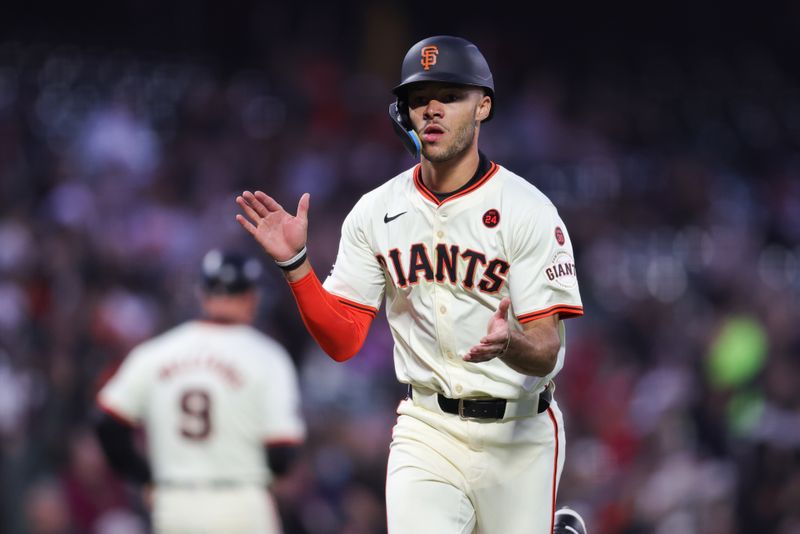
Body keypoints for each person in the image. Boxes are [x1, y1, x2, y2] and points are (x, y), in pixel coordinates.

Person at [236, 35, 586, 534]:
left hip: (520, 432)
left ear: (483, 105)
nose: (433, 109)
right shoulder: (376, 212)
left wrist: (511, 343)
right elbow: (343, 340)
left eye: (450, 94)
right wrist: (296, 265)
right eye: (420, 99)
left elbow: (547, 349)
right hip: (427, 430)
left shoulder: (527, 210)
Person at [94, 249, 306, 534]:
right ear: (252, 297)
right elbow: (282, 453)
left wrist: (145, 477)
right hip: (241, 501)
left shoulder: (156, 353)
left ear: (203, 295)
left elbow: (107, 424)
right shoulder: (267, 357)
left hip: (175, 504)